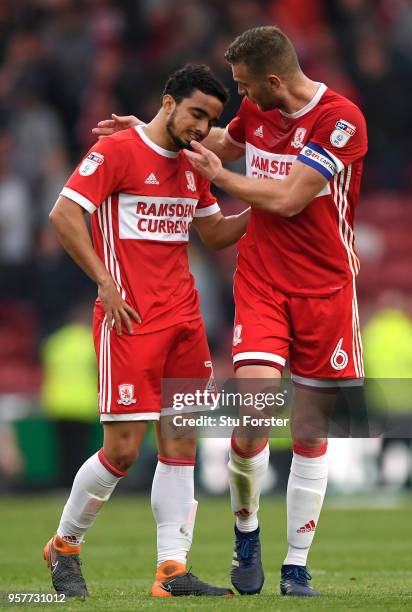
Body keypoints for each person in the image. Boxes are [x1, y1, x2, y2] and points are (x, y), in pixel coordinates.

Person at [96, 26, 368, 597]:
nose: (240, 96)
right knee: (251, 420)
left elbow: (292, 198)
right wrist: (151, 137)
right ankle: (247, 530)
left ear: (274, 80)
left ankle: (296, 566)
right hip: (264, 283)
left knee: (310, 430)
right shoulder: (258, 114)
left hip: (326, 290)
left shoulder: (340, 121)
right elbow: (219, 141)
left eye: (245, 85)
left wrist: (222, 180)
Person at [45, 64, 250, 599]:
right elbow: (64, 214)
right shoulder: (117, 152)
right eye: (196, 113)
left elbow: (213, 232)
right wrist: (105, 282)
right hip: (129, 320)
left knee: (181, 443)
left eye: (211, 119)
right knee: (123, 451)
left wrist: (273, 206)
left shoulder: (193, 163)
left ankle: (171, 571)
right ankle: (64, 545)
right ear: (168, 102)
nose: (203, 127)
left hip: (185, 321)